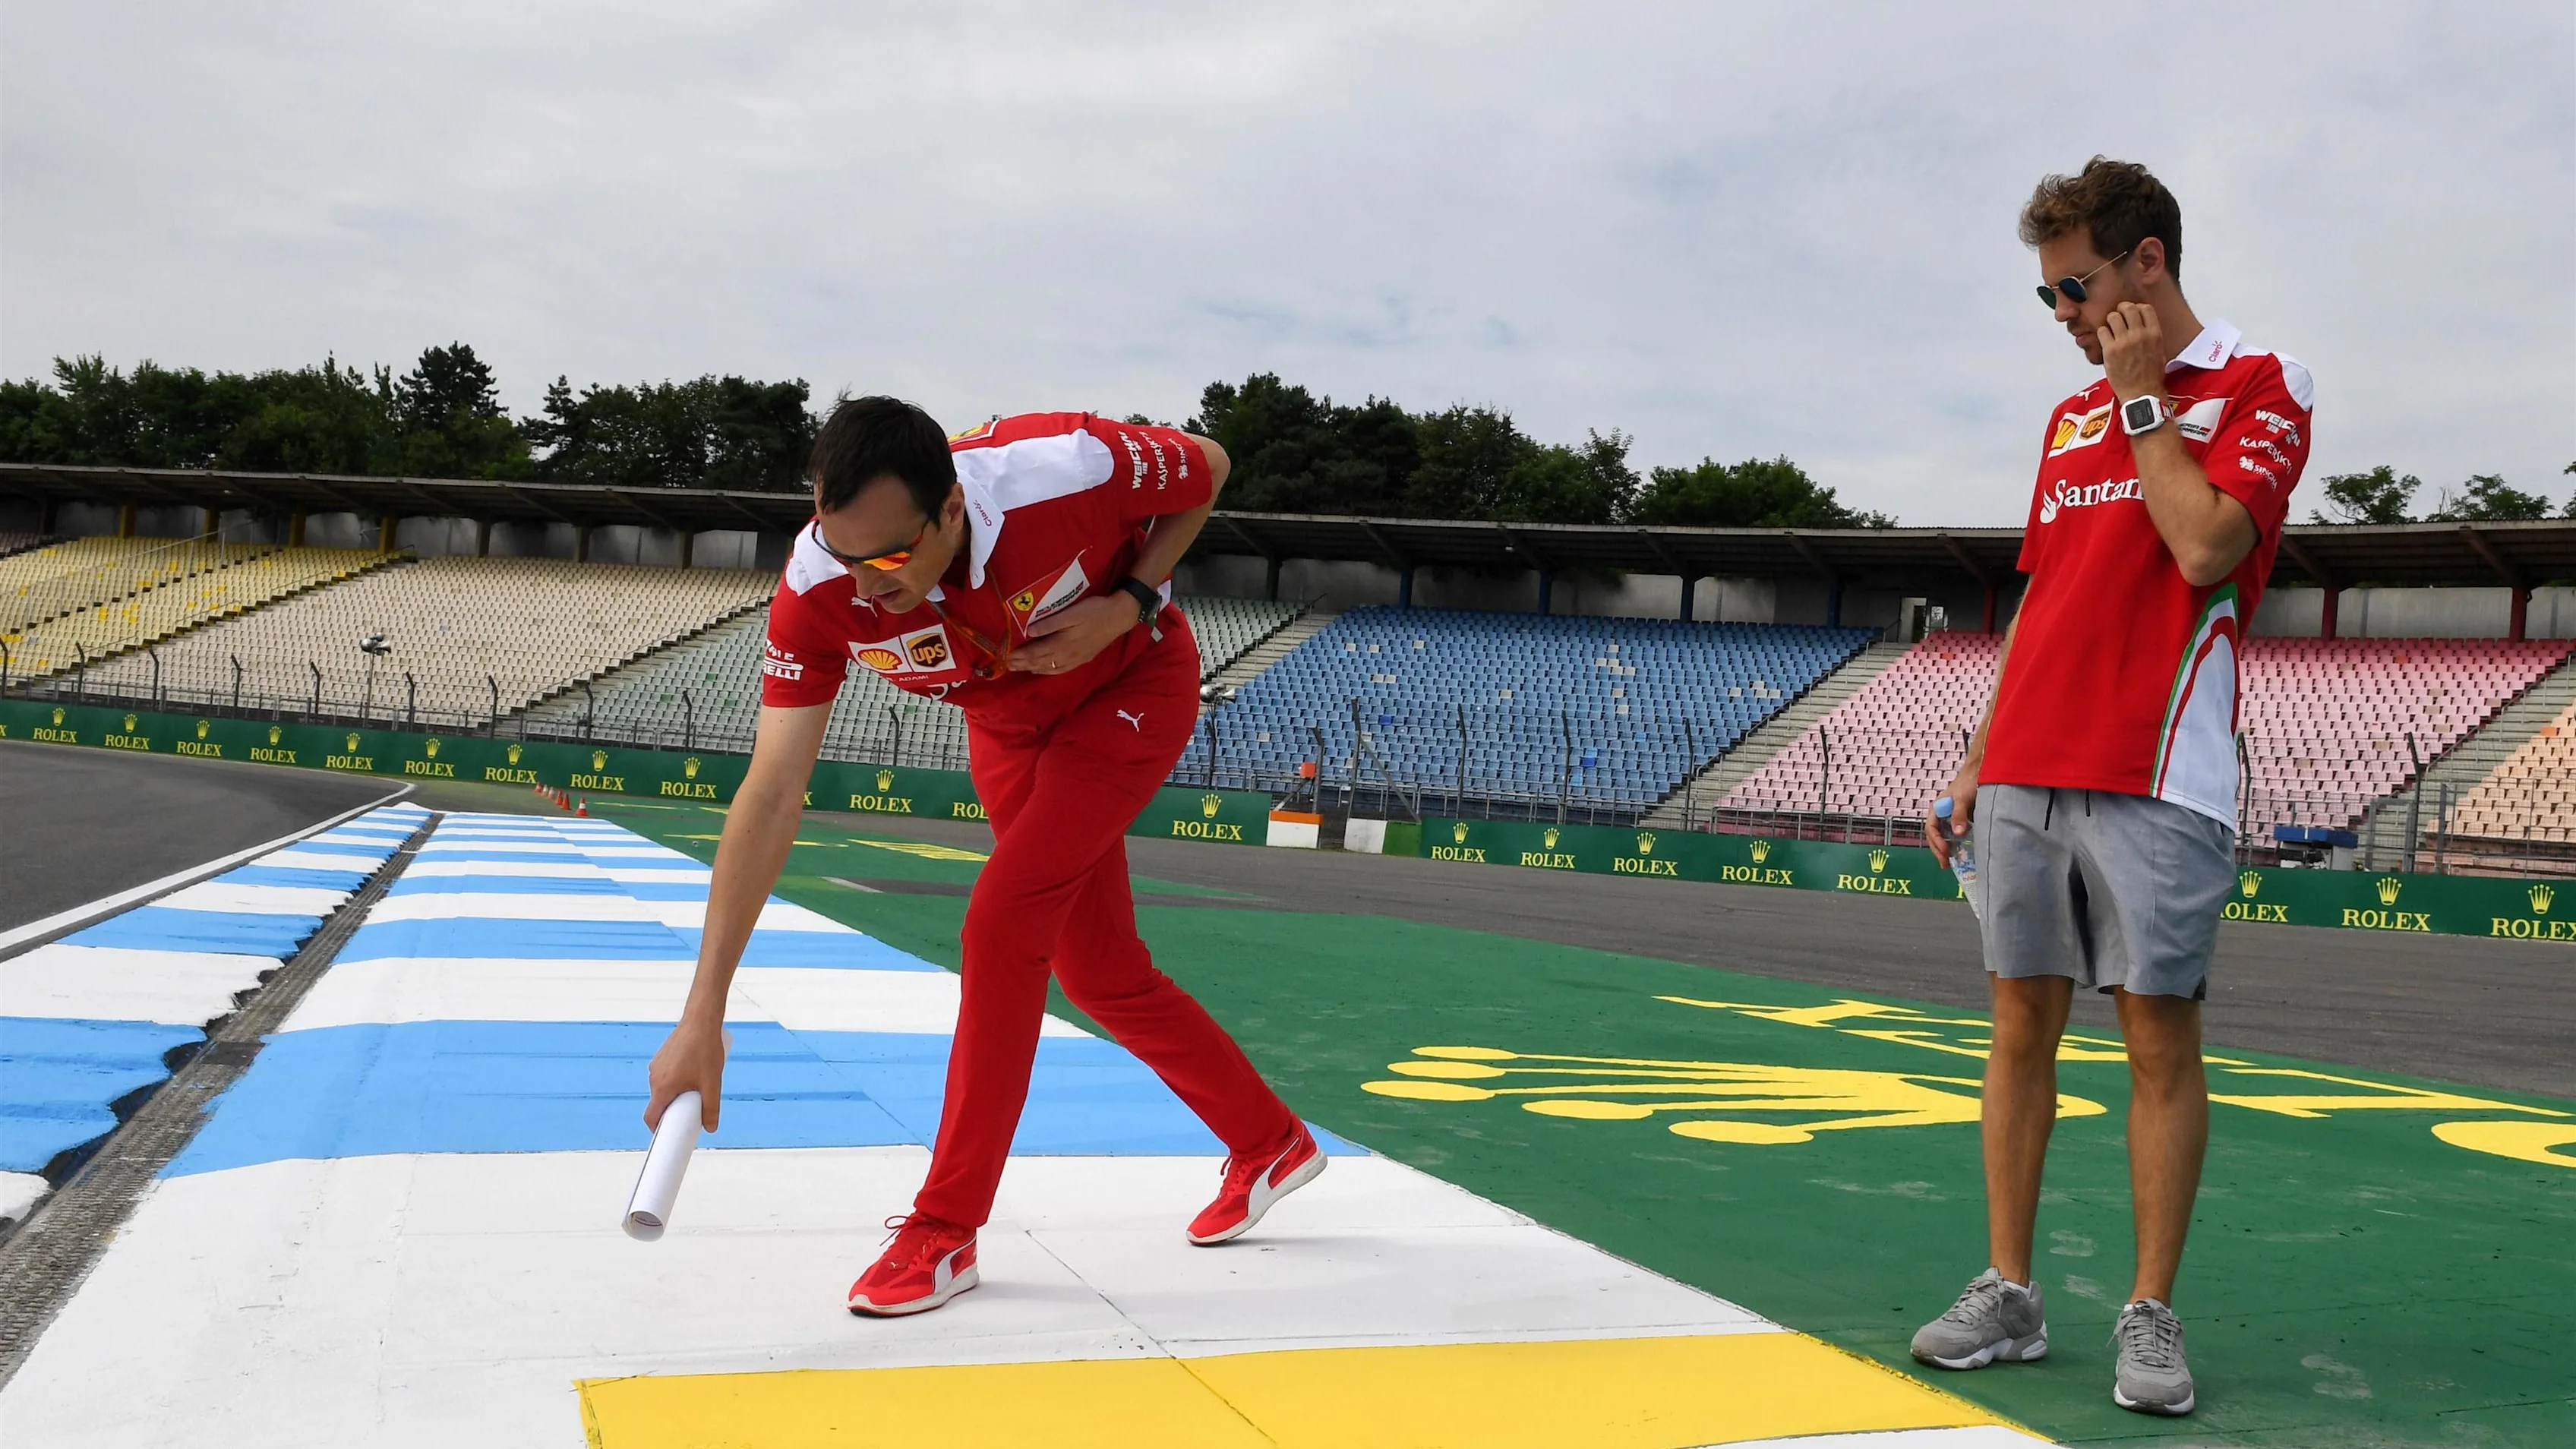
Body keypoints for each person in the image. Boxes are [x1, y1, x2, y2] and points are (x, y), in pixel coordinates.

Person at [645, 399, 1321, 1317]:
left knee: (1001, 925)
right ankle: (1269, 1142)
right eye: (842, 555)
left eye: (889, 560)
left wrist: (1131, 600)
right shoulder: (817, 588)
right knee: (1100, 971)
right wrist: (702, 1011)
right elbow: (769, 795)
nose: (865, 587)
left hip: (1129, 687)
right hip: (1007, 730)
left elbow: (1206, 464)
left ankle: (943, 1230)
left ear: (952, 512)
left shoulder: (1062, 470)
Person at [1912, 158, 2313, 1416]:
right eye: (2047, 299)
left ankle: (2147, 1309)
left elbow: (2203, 545)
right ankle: (2010, 1291)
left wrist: (2143, 401)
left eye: (2073, 288)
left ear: (2147, 263)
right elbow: (2039, 593)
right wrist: (1979, 749)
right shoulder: (2066, 417)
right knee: (2018, 1023)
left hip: (2157, 764)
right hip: (2028, 759)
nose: (2065, 319)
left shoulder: (2261, 382)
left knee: (2154, 1037)